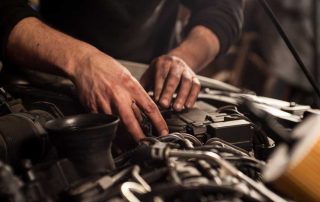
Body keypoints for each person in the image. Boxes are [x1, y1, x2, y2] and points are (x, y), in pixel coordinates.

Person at [0, 0, 244, 140]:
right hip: (50, 63)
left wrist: (183, 58)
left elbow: (222, 8)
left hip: (149, 75)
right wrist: (81, 60)